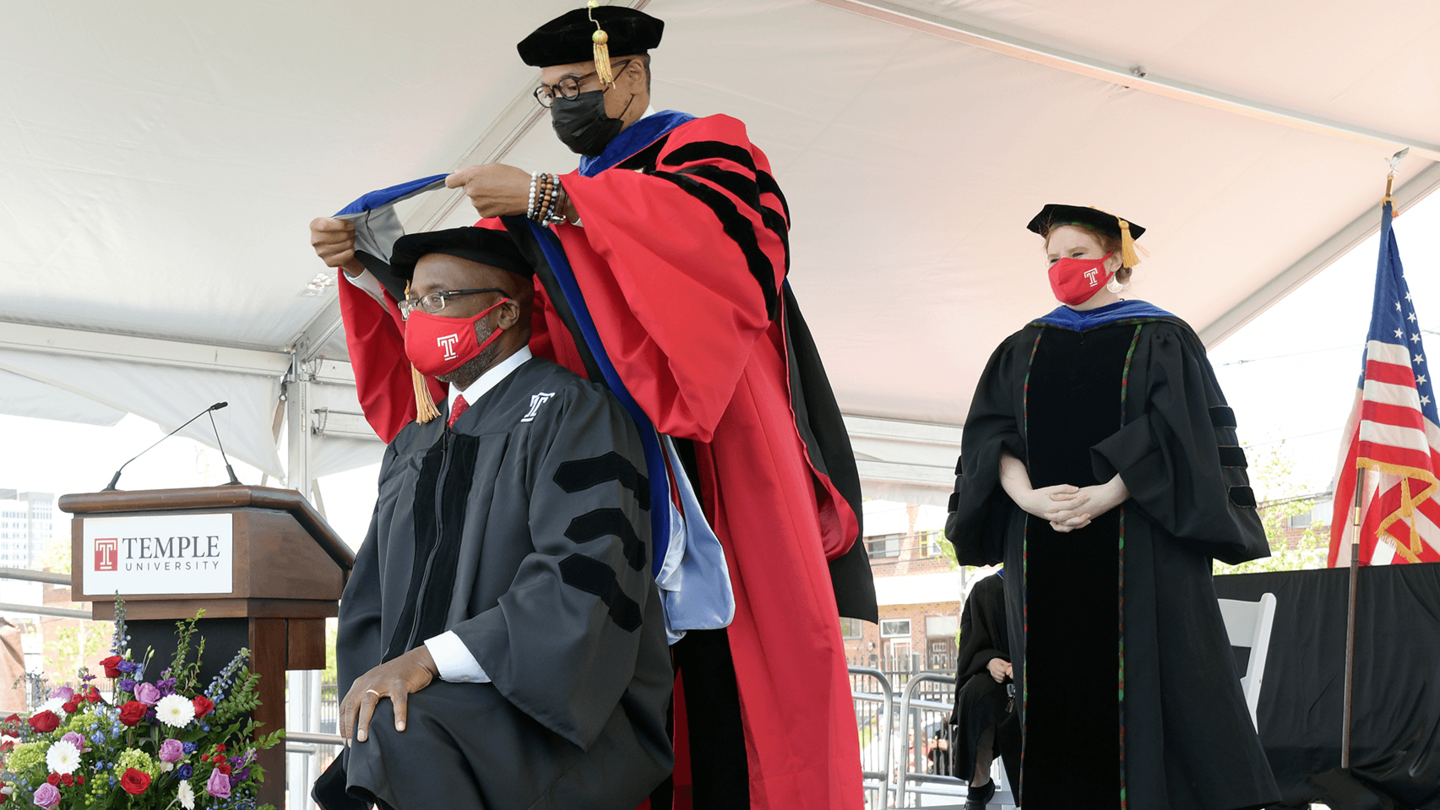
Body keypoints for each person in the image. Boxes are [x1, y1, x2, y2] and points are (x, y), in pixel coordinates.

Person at [308, 6, 875, 808]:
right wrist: (369, 267)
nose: (565, 102)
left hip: (707, 449)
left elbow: (725, 262)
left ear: (632, 77)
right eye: (551, 92)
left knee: (734, 686)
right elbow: (490, 330)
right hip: (578, 453)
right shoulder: (550, 202)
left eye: (578, 84)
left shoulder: (705, 147)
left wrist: (552, 198)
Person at [312, 227, 673, 810]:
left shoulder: (572, 413)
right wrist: (375, 686)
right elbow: (370, 600)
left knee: (399, 738)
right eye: (412, 301)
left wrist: (428, 659)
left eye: (438, 299)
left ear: (502, 314)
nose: (417, 316)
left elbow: (585, 572)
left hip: (553, 718)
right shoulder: (415, 443)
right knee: (379, 742)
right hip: (430, 721)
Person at [944, 205, 1280, 810]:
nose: (1063, 269)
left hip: (1141, 543)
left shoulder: (1162, 337)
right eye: (1052, 259)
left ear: (1113, 258)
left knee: (1147, 692)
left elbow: (1183, 438)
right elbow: (990, 441)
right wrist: (1028, 498)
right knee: (1055, 694)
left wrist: (1110, 492)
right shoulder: (1023, 347)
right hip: (1041, 545)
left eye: (1076, 255)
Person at [947, 570, 1019, 809]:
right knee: (975, 694)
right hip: (998, 679)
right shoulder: (986, 589)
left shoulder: (1052, 582)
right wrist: (990, 661)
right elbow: (972, 644)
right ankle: (979, 783)